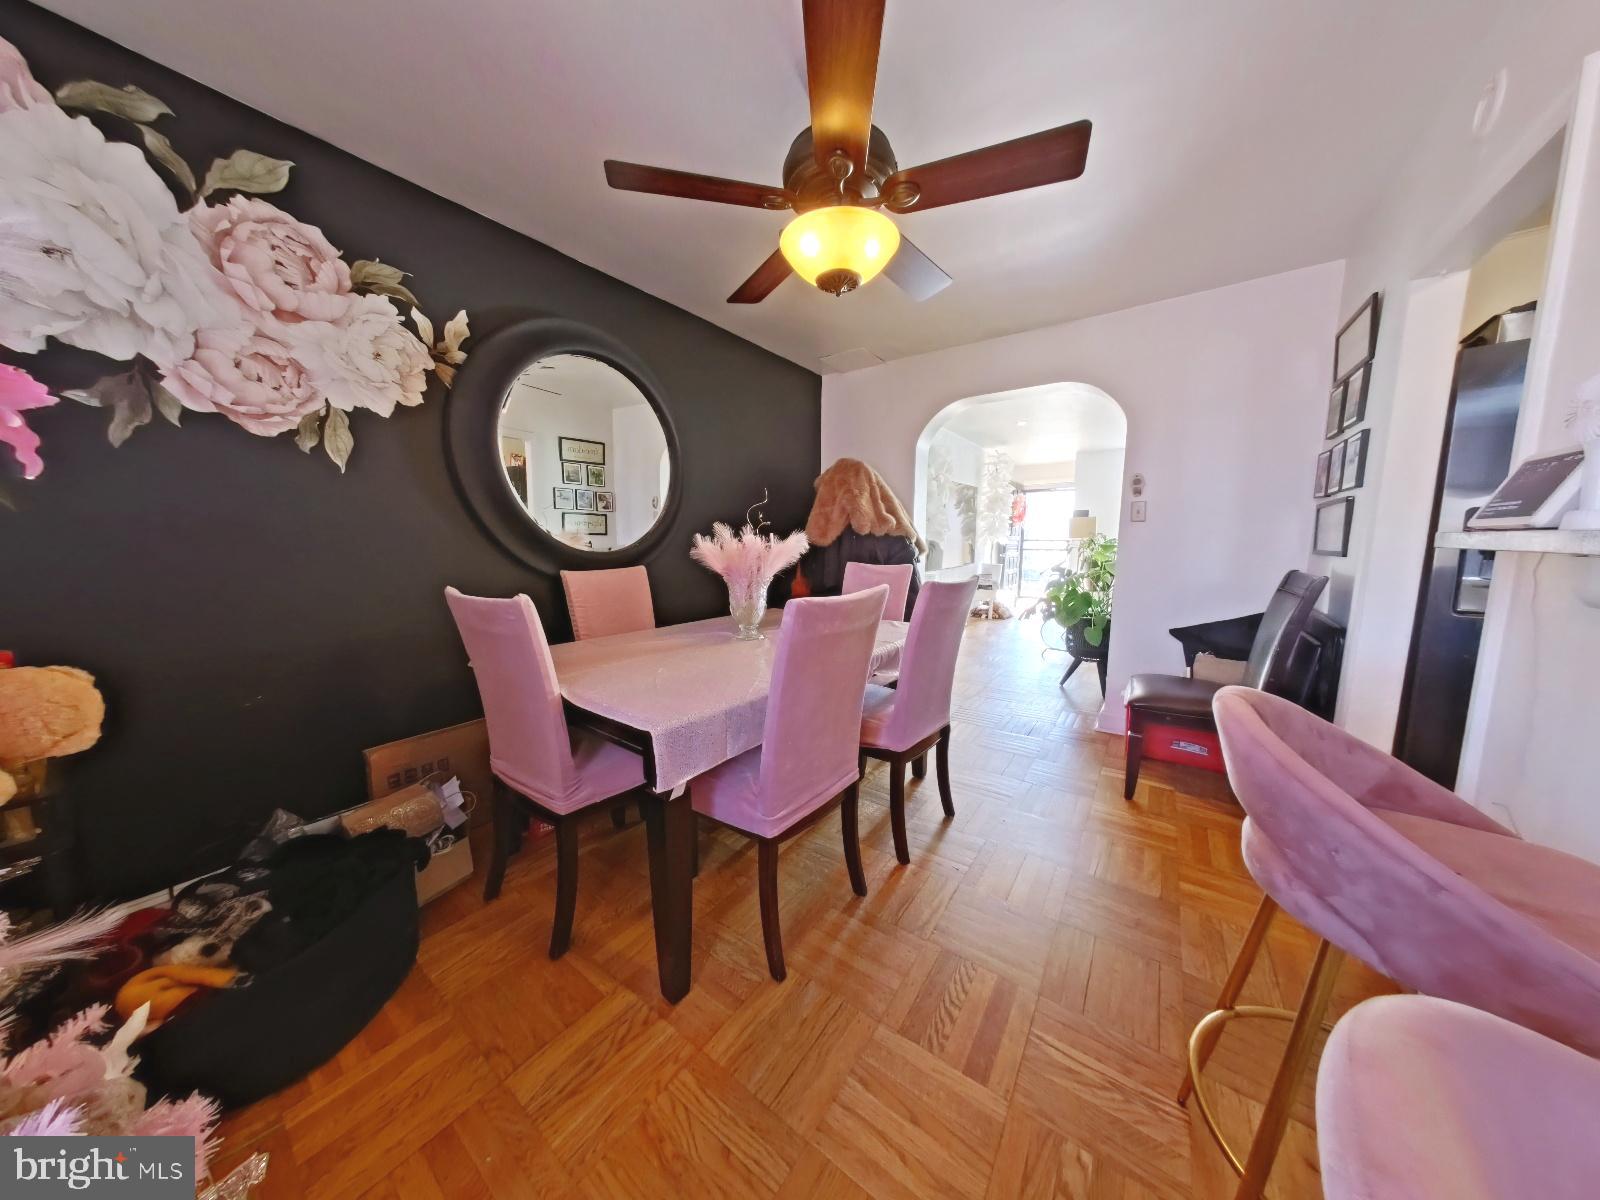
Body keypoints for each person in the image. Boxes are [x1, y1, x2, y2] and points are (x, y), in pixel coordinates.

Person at [794, 458, 925, 613]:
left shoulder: (818, 539)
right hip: (879, 629)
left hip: (838, 625)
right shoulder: (896, 539)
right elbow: (913, 604)